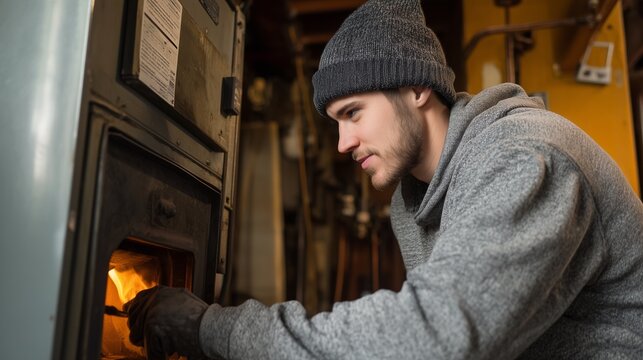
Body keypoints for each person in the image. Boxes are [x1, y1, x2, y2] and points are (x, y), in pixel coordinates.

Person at [125, 0, 643, 358]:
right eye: (335, 123)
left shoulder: (524, 159)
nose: (342, 143)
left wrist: (211, 329)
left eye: (353, 113)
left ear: (417, 88)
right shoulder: (415, 195)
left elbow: (433, 336)